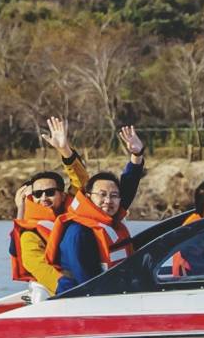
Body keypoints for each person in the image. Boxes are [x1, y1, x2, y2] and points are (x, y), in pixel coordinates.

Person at [40, 116, 146, 286]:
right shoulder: (79, 232)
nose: (108, 201)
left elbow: (129, 183)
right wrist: (65, 150)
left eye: (113, 196)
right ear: (88, 197)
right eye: (102, 195)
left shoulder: (111, 215)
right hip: (78, 298)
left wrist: (137, 155)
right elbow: (86, 282)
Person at [8, 171, 70, 293]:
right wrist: (69, 288)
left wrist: (66, 152)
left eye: (50, 192)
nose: (43, 198)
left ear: (63, 196)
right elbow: (34, 263)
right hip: (60, 290)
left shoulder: (71, 213)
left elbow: (80, 180)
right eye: (37, 194)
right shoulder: (29, 232)